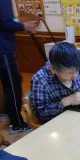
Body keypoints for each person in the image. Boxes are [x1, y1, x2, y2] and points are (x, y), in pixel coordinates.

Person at [30, 42, 80, 123]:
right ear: (53, 69)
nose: (75, 77)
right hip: (55, 124)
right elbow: (41, 114)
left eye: (77, 71)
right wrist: (67, 101)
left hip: (77, 116)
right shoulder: (40, 80)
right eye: (69, 74)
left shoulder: (72, 69)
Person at [0, 0, 37, 134]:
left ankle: (8, 114)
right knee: (12, 86)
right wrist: (24, 25)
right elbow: (6, 23)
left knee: (12, 84)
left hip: (4, 49)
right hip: (4, 50)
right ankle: (16, 124)